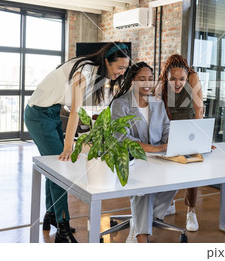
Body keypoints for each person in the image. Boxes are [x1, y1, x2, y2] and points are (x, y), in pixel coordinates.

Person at [24, 42, 130, 243]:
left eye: (125, 69)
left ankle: (52, 215)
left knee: (52, 167)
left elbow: (82, 109)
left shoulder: (94, 71)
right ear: (107, 61)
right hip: (38, 114)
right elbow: (74, 111)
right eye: (120, 68)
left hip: (52, 111)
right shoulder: (85, 71)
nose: (122, 73)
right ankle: (63, 230)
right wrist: (68, 145)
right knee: (60, 169)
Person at [111, 62, 177, 243]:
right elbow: (123, 139)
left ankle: (140, 222)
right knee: (144, 189)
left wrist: (173, 143)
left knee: (178, 177)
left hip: (158, 157)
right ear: (132, 81)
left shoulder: (157, 103)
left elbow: (166, 128)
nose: (147, 83)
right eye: (142, 79)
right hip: (132, 159)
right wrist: (156, 148)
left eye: (150, 79)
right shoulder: (120, 105)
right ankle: (142, 237)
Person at [156, 54, 204, 232]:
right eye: (173, 79)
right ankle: (168, 203)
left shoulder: (193, 77)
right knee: (166, 168)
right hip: (169, 128)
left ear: (187, 75)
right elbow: (157, 111)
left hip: (189, 127)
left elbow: (199, 108)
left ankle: (191, 211)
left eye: (181, 79)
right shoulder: (161, 84)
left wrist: (201, 138)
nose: (177, 84)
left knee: (192, 169)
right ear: (166, 76)